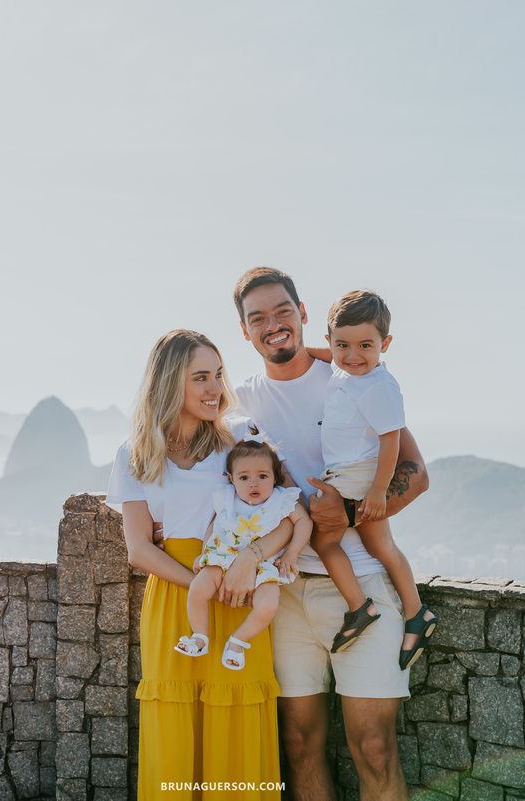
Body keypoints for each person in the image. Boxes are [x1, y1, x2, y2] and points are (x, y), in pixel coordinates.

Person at [230, 268, 431, 801]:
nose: (272, 325)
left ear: (301, 313)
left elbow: (417, 472)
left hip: (362, 582)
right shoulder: (240, 401)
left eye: (282, 311)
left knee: (374, 748)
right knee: (297, 743)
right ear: (244, 332)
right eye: (258, 318)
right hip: (286, 595)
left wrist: (356, 517)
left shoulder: (348, 373)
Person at [106, 329, 286, 800]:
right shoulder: (135, 454)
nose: (215, 388)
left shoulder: (240, 441)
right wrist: (203, 584)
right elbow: (140, 550)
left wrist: (248, 562)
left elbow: (286, 518)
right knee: (174, 721)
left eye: (219, 374)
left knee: (237, 713)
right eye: (201, 377)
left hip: (243, 592)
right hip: (177, 599)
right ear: (170, 384)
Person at [312, 290, 436, 670]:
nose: (352, 355)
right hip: (358, 470)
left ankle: (359, 607)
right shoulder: (351, 369)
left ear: (386, 344)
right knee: (382, 545)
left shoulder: (377, 385)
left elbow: (391, 441)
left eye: (366, 345)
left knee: (322, 539)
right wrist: (311, 353)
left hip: (358, 473)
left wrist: (379, 492)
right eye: (341, 345)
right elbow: (333, 355)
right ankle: (417, 613)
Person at [176, 431, 313, 670]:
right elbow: (215, 524)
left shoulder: (282, 500)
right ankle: (200, 637)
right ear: (231, 478)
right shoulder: (227, 498)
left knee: (269, 604)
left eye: (262, 476)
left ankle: (238, 641)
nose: (254, 483)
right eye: (244, 477)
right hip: (222, 555)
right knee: (198, 589)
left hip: (264, 563)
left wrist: (292, 552)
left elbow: (304, 522)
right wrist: (204, 551)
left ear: (274, 477)